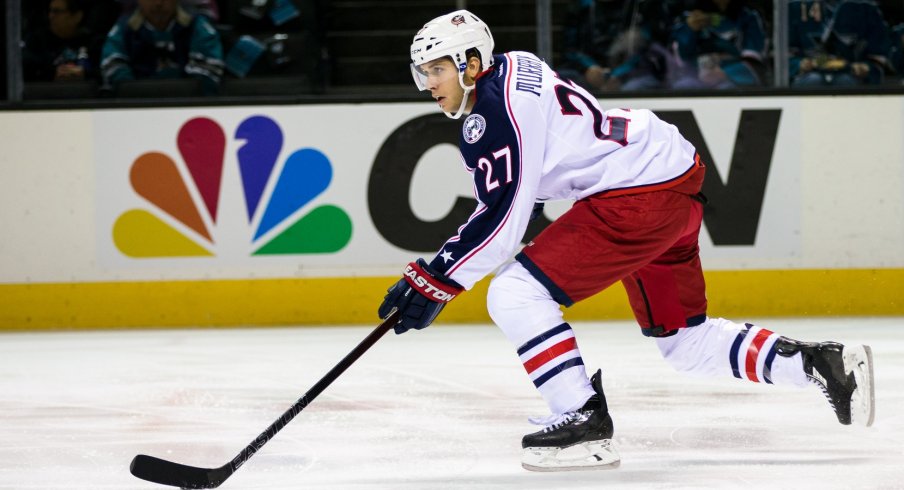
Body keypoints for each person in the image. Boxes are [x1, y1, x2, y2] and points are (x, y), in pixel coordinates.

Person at [378, 9, 876, 472]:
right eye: (422, 72)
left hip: (636, 196)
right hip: (667, 177)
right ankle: (823, 365)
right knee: (684, 342)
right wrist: (439, 275)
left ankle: (581, 419)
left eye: (436, 69)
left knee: (514, 293)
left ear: (470, 62)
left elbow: (506, 219)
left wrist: (436, 278)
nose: (429, 83)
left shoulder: (492, 112)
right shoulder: (517, 64)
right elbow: (517, 201)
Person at [100, 0, 224, 94]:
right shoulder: (125, 27)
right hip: (136, 108)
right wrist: (132, 92)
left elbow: (208, 72)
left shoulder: (196, 25)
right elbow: (113, 65)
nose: (158, 3)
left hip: (188, 108)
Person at [788, 0, 893, 86]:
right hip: (807, 78)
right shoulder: (795, 7)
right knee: (813, 81)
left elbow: (879, 57)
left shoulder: (867, 9)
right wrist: (799, 64)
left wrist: (866, 68)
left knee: (845, 82)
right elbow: (784, 58)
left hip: (853, 79)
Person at [669, 0, 768, 89]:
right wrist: (689, 29)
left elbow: (754, 58)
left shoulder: (749, 16)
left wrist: (726, 73)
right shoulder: (689, 16)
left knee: (727, 90)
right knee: (684, 87)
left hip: (734, 77)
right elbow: (681, 58)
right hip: (696, 76)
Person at [22, 0, 108, 82]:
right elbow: (26, 68)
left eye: (57, 11)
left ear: (77, 16)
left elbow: (105, 73)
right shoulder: (37, 41)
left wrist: (85, 73)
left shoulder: (94, 42)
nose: (50, 16)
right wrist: (52, 73)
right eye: (50, 11)